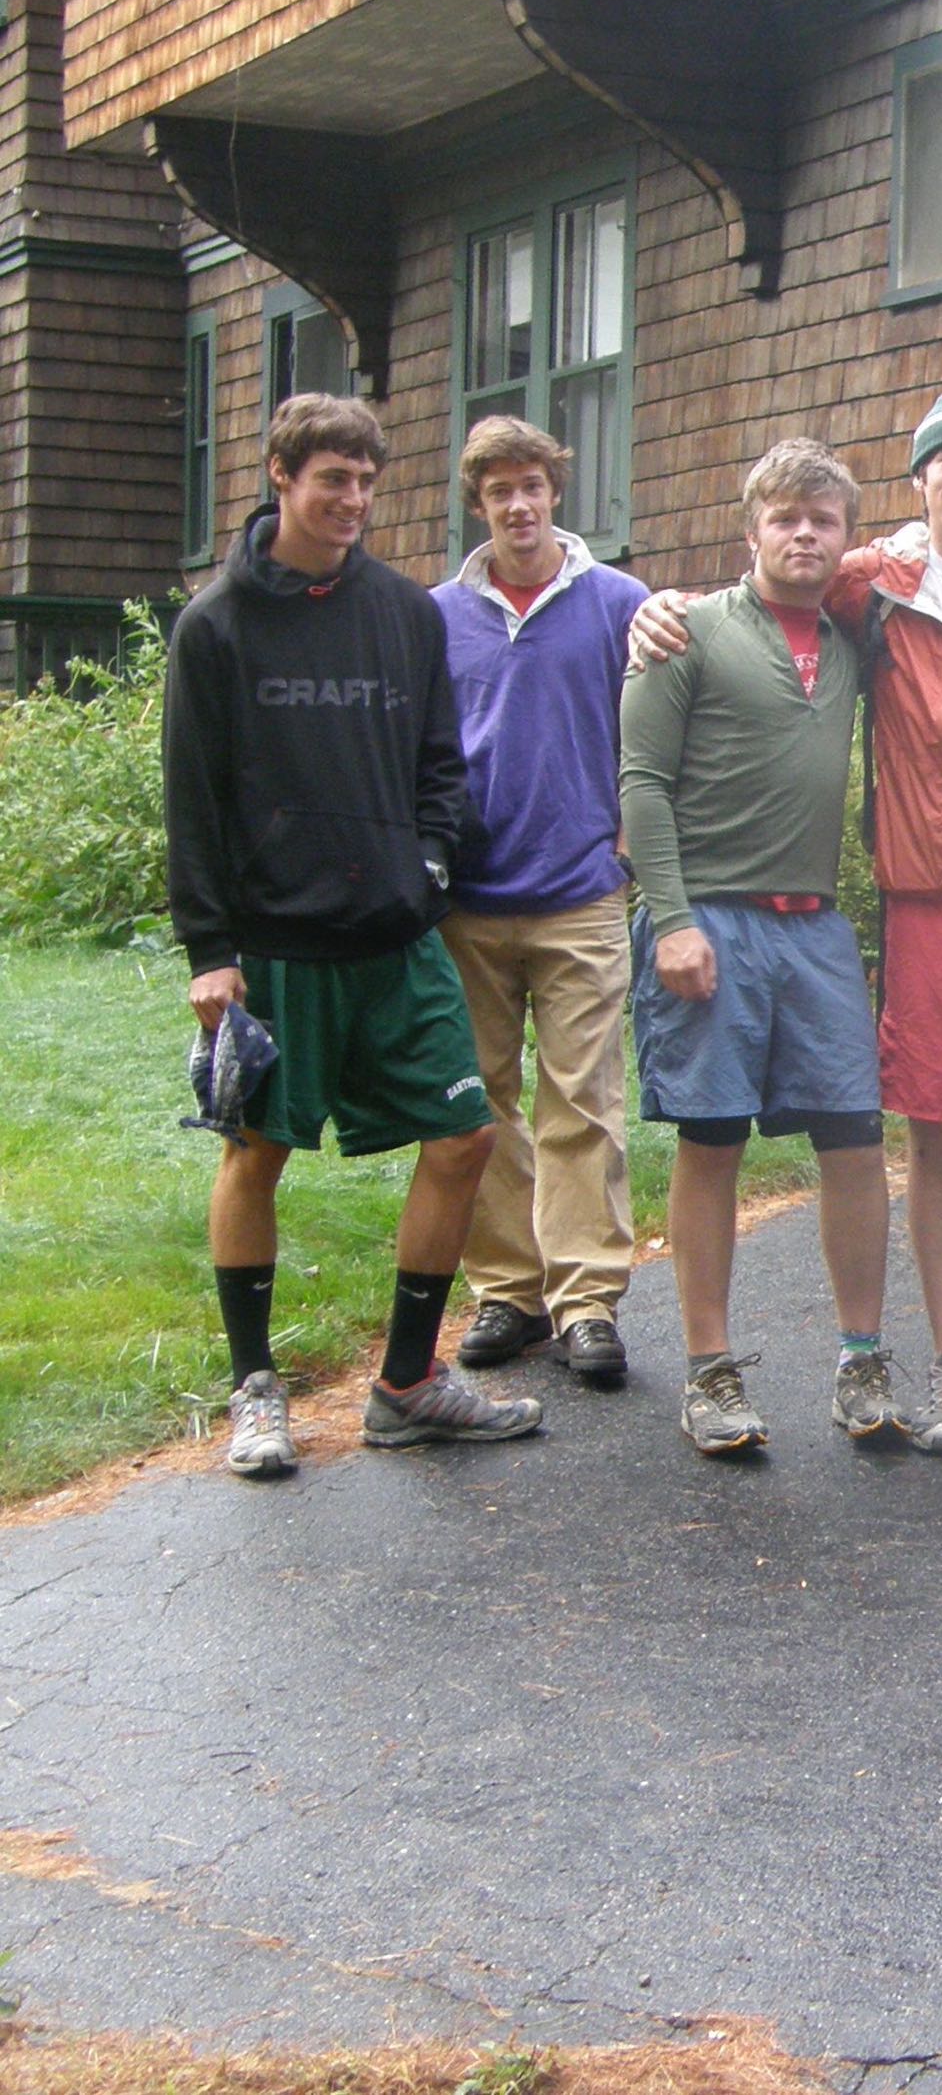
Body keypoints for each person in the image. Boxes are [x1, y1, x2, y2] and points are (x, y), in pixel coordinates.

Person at [634, 398, 942, 1453]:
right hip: (928, 912)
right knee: (939, 1134)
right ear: (920, 484)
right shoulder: (874, 590)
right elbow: (791, 547)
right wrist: (653, 604)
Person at [167, 393, 542, 1478]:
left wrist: (427, 865)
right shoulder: (216, 627)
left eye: (368, 482)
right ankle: (256, 1394)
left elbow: (441, 763)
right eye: (333, 479)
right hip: (275, 948)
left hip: (395, 940)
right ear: (281, 478)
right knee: (257, 1154)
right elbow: (190, 803)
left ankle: (409, 1385)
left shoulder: (402, 612)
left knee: (464, 1137)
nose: (353, 501)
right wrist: (209, 950)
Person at [619, 439, 892, 1456]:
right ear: (752, 530)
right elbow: (640, 784)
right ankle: (709, 1369)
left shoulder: (856, 637)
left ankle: (861, 1360)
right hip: (710, 918)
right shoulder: (684, 630)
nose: (805, 534)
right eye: (786, 518)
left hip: (814, 924)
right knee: (713, 1138)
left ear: (845, 536)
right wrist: (674, 918)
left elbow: (931, 556)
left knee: (855, 1140)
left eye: (824, 519)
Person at [431, 415, 650, 1389]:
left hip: (580, 896)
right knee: (478, 1106)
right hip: (468, 901)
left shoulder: (617, 603)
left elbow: (657, 730)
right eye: (498, 492)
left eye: (532, 486)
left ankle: (587, 1300)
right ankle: (509, 1292)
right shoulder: (438, 615)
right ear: (478, 505)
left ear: (557, 491)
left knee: (584, 1103)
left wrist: (640, 831)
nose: (518, 505)